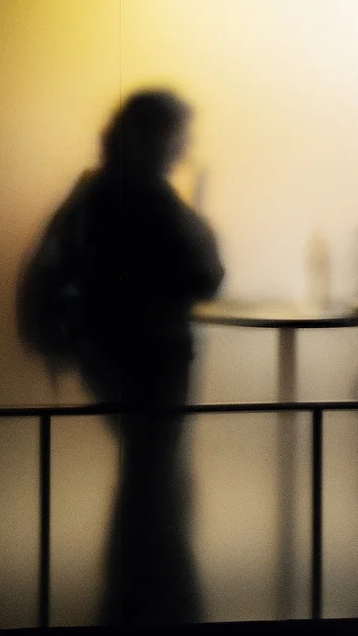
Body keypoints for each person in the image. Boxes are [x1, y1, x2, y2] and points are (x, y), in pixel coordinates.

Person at [71, 89, 223, 624]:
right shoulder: (147, 198)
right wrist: (199, 218)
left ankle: (133, 597)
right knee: (155, 479)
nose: (184, 149)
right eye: (179, 137)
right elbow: (204, 275)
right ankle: (157, 601)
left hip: (111, 357)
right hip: (154, 357)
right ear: (155, 136)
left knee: (144, 476)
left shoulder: (97, 192)